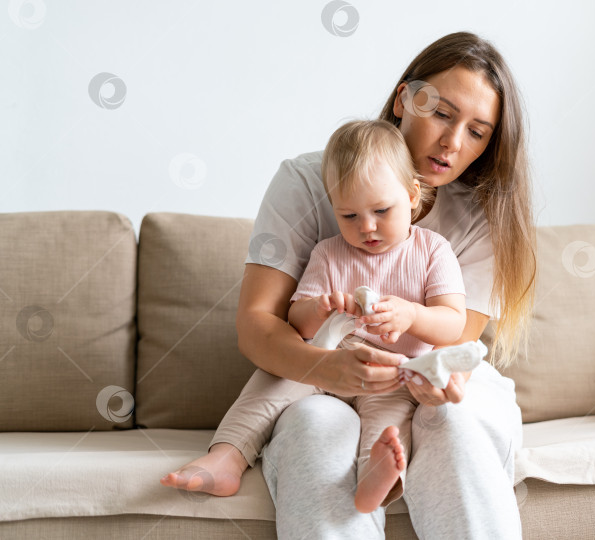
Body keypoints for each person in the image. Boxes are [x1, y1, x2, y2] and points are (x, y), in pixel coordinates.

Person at [162, 31, 537, 539]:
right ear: (405, 99)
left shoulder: (479, 219)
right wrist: (327, 365)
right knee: (317, 426)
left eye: (477, 131)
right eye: (443, 114)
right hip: (322, 366)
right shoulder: (306, 181)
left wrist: (435, 378)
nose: (453, 143)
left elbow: (453, 337)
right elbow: (258, 326)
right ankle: (238, 455)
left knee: (451, 422)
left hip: (428, 370)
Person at [260, 118, 470, 512]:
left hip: (390, 373)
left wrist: (410, 315)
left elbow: (453, 323)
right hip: (329, 369)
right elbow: (296, 323)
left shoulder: (433, 251)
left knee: (389, 424)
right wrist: (318, 310)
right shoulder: (328, 253)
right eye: (349, 216)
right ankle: (230, 449)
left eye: (380, 210)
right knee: (269, 386)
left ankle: (375, 479)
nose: (367, 227)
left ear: (412, 195)